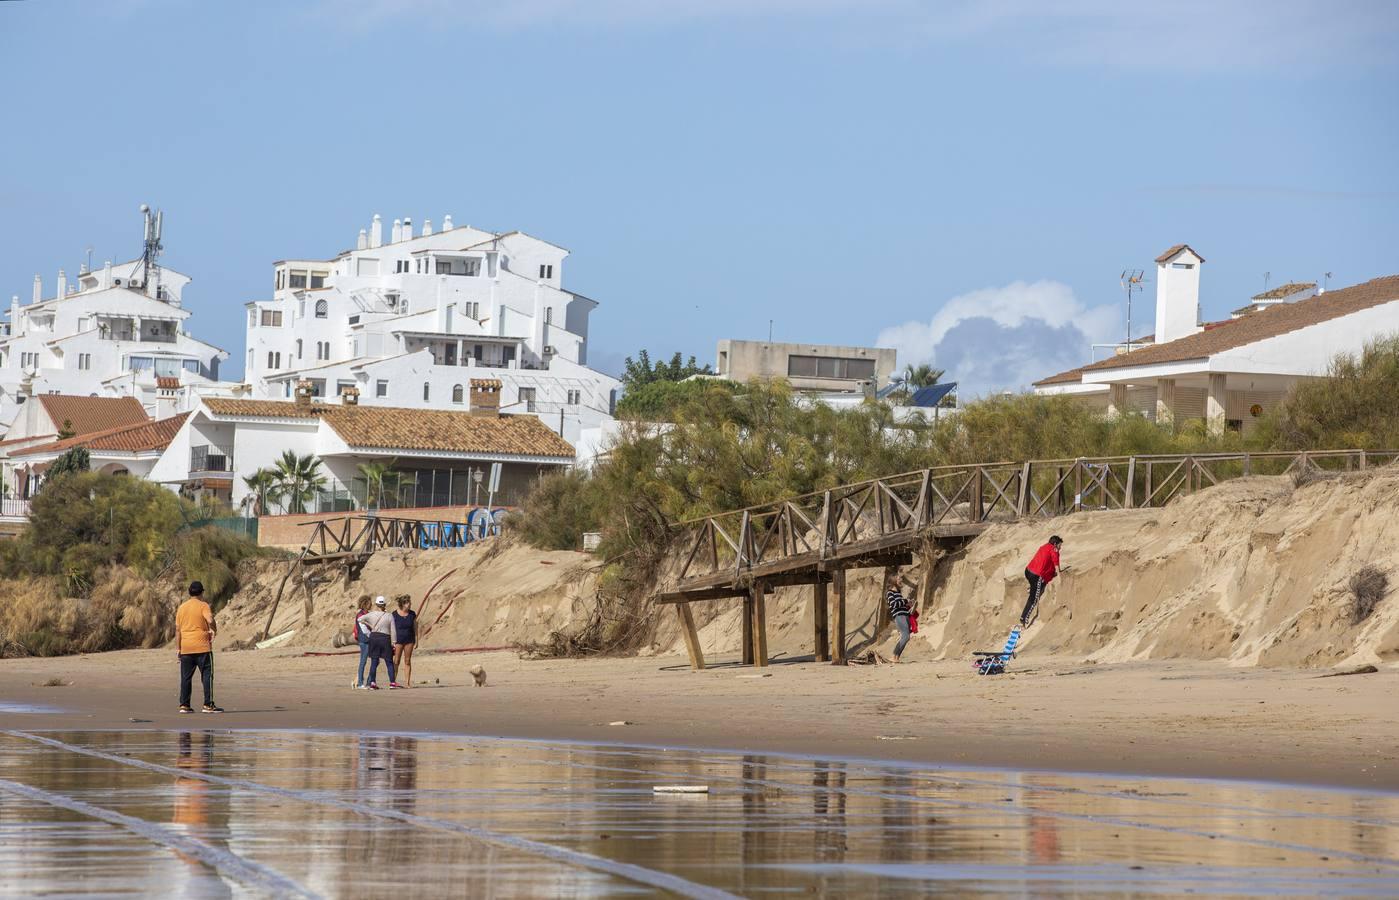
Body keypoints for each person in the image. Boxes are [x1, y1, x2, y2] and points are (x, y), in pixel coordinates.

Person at [175, 581, 223, 714]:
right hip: (202, 647)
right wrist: (214, 630)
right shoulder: (203, 605)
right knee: (207, 676)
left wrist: (178, 648)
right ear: (201, 592)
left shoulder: (182, 608)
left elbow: (178, 630)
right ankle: (208, 704)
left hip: (186, 647)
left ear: (189, 592)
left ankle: (184, 705)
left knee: (185, 677)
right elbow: (210, 619)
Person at [358, 596, 399, 690]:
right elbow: (393, 631)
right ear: (384, 605)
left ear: (376, 604)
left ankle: (373, 683)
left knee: (374, 661)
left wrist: (371, 625)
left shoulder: (371, 614)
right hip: (385, 638)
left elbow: (359, 619)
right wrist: (394, 642)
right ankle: (392, 682)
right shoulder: (389, 616)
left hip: (374, 637)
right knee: (389, 661)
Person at [1021, 535, 1063, 626]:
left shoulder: (1044, 546)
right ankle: (1024, 618)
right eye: (1060, 545)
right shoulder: (1054, 549)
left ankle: (1032, 588)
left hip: (1028, 571)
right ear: (1055, 544)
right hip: (1036, 576)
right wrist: (1059, 575)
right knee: (1034, 599)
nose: (1060, 547)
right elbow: (1055, 562)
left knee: (1038, 586)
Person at [884, 570, 914, 663]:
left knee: (906, 637)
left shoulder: (898, 594)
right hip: (899, 616)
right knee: (906, 636)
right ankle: (893, 656)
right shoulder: (890, 593)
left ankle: (896, 658)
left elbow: (900, 605)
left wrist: (909, 605)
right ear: (893, 581)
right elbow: (894, 604)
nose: (901, 580)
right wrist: (905, 601)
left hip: (905, 616)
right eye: (899, 578)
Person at [391, 594, 417, 689]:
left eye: (410, 602)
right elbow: (391, 628)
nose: (410, 604)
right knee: (396, 660)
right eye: (408, 602)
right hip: (398, 641)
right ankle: (393, 681)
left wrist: (416, 640)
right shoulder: (394, 614)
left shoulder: (412, 614)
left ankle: (407, 683)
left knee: (407, 661)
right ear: (403, 604)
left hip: (409, 640)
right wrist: (392, 641)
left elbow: (415, 627)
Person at [353, 595, 372, 689]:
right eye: (369, 602)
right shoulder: (360, 615)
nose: (371, 604)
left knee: (374, 661)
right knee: (363, 661)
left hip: (367, 640)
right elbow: (364, 630)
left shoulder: (367, 613)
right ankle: (360, 683)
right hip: (365, 640)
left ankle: (369, 681)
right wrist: (373, 637)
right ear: (365, 603)